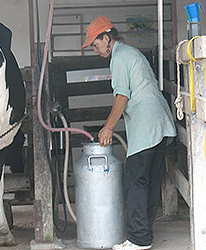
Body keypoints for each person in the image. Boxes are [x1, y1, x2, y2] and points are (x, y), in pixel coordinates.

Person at [82, 15, 177, 250]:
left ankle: (137, 239)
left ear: (106, 38)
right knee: (150, 182)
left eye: (95, 44)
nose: (95, 50)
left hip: (146, 125)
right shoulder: (130, 53)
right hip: (159, 123)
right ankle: (144, 236)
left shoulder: (119, 57)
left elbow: (122, 96)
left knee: (134, 181)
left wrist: (108, 127)